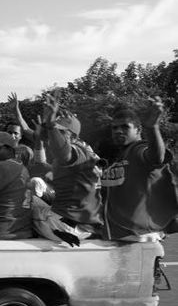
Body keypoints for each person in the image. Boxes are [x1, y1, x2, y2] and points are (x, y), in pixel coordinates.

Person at [101, 98, 177, 241]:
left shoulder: (138, 150)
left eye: (125, 127)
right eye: (114, 128)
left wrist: (152, 127)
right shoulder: (121, 157)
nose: (118, 131)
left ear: (138, 130)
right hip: (122, 238)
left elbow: (156, 157)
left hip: (138, 239)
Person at [36, 93, 104, 244]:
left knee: (28, 201)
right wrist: (43, 133)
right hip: (84, 224)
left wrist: (51, 124)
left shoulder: (75, 151)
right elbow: (42, 162)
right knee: (39, 191)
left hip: (65, 226)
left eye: (61, 132)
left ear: (73, 137)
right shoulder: (87, 152)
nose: (54, 135)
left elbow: (64, 153)